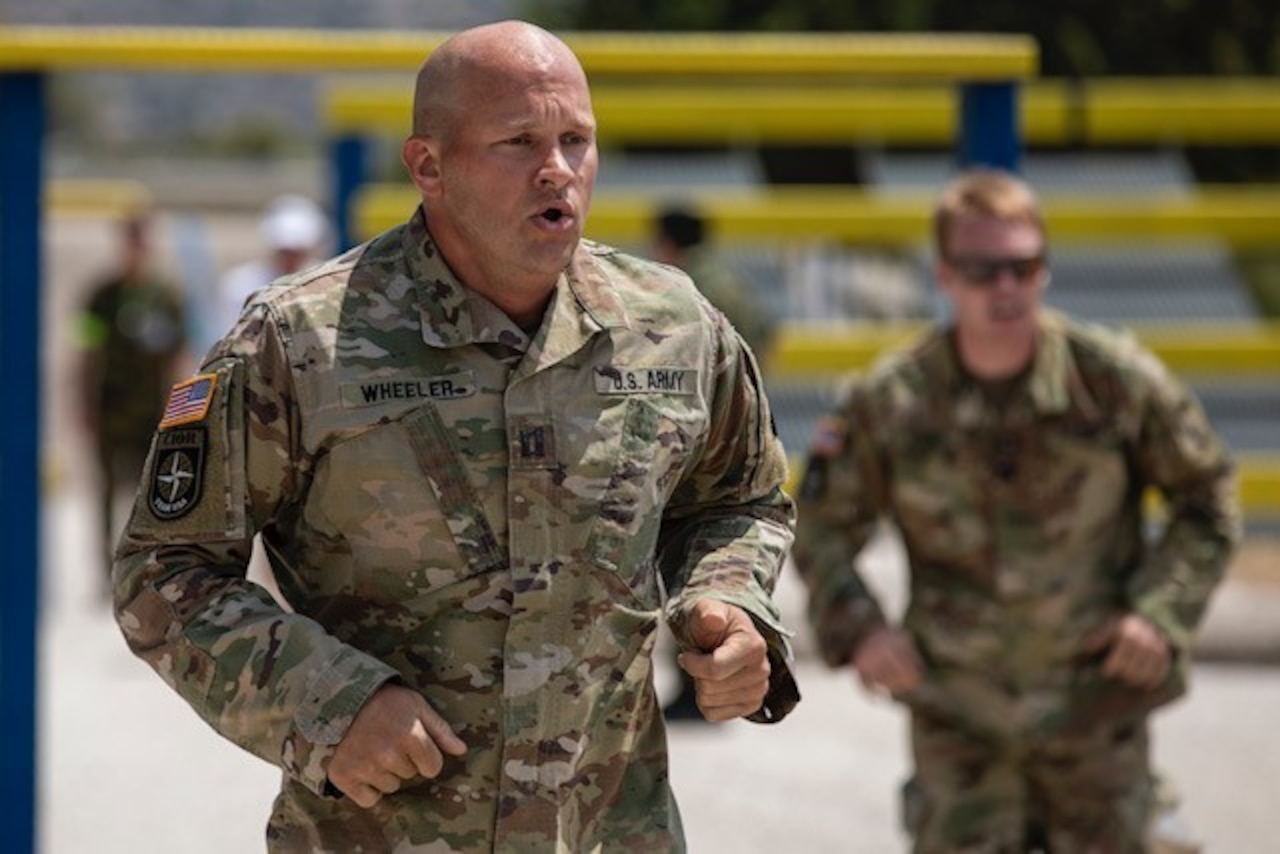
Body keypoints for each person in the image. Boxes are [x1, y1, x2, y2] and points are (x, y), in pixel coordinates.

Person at [112, 20, 798, 852]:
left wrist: (728, 602)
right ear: (427, 166)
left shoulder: (674, 326)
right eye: (519, 141)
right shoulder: (298, 343)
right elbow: (164, 569)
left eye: (576, 139)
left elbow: (742, 500)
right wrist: (330, 706)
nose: (558, 170)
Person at [792, 168, 1239, 853]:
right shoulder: (894, 402)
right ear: (945, 276)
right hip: (958, 717)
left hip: (1095, 707)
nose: (1005, 287)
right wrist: (861, 630)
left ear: (1044, 271)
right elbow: (822, 525)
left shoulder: (1112, 382)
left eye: (1023, 267)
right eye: (982, 270)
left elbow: (1206, 499)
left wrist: (1160, 613)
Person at [651, 205, 778, 723]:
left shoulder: (681, 286)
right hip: (738, 427)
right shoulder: (729, 280)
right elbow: (766, 334)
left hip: (690, 432)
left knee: (682, 563)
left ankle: (693, 684)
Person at [75, 209, 187, 588]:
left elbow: (178, 355)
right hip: (110, 409)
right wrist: (83, 403)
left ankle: (143, 567)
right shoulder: (102, 296)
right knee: (105, 491)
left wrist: (179, 412)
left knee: (149, 495)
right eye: (131, 240)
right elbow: (86, 352)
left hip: (150, 414)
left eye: (142, 240)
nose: (137, 248)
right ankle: (105, 568)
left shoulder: (167, 295)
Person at [215, 192, 326, 336]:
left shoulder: (328, 283)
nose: (290, 259)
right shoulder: (239, 286)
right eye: (284, 251)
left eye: (297, 252)